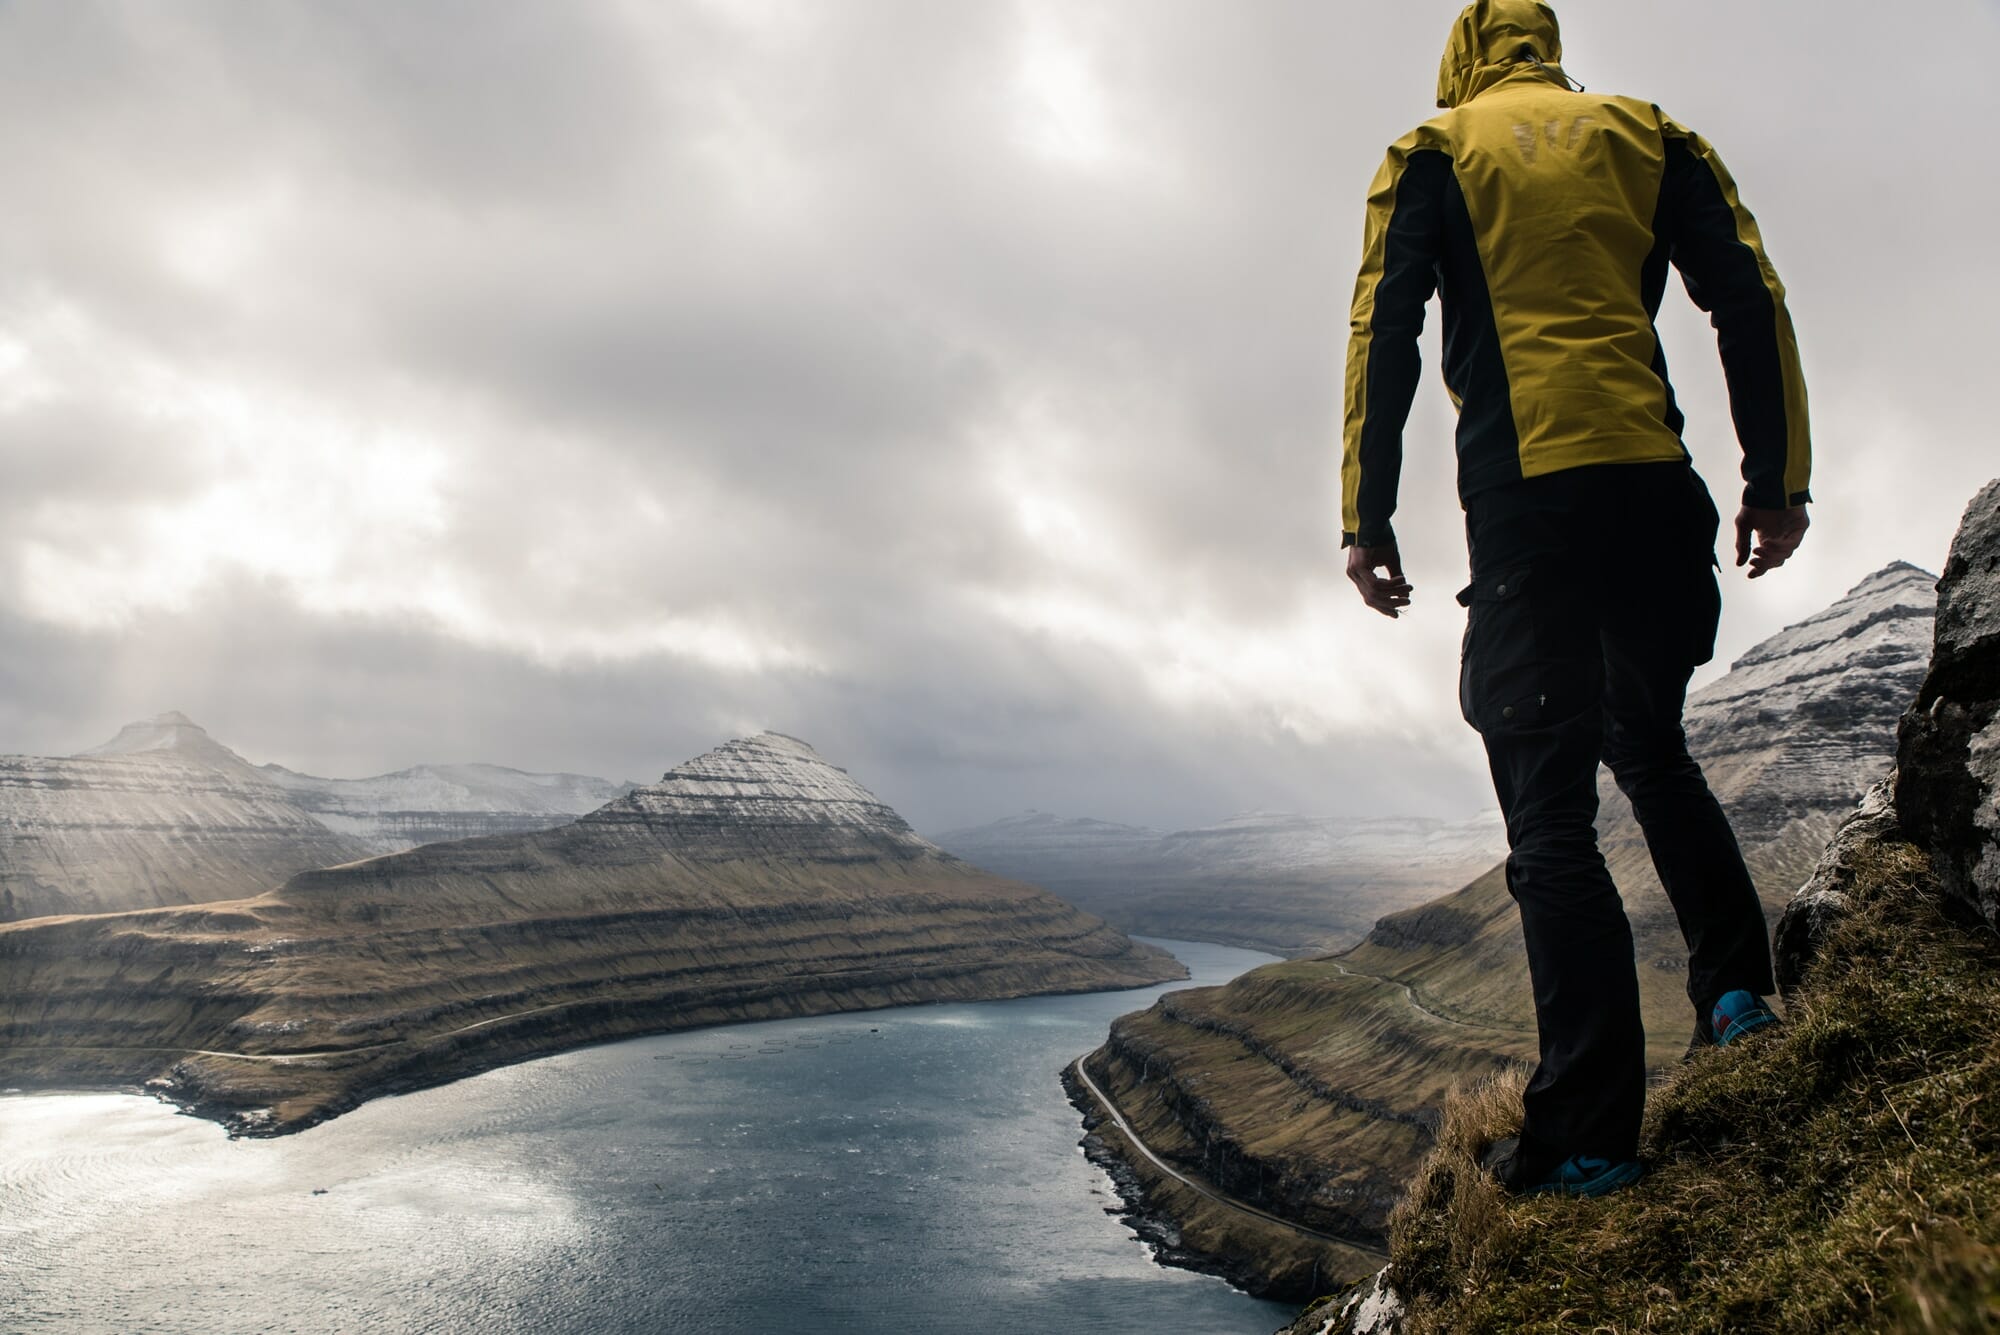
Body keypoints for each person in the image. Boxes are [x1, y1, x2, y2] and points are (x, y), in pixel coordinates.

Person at [1337, 0, 1808, 1198]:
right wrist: (1776, 483)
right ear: (1548, 50)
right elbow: (1746, 298)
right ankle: (1738, 996)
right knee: (1649, 749)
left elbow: (1380, 338)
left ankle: (1589, 1137)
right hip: (1658, 492)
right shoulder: (1649, 134)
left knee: (1547, 820)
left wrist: (1367, 518)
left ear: (1460, 65)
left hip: (1527, 511)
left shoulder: (1432, 153)